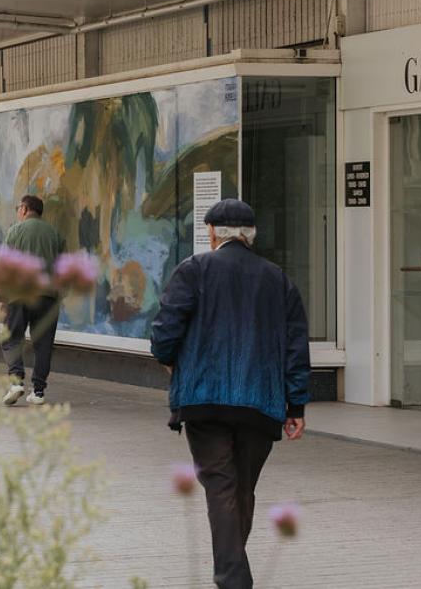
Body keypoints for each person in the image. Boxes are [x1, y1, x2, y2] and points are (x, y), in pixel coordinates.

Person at [149, 199, 310, 589]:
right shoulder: (279, 280)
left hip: (204, 401)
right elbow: (295, 348)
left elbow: (163, 334)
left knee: (221, 487)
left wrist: (171, 361)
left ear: (212, 233)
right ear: (250, 235)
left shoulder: (194, 270)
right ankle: (233, 573)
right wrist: (296, 405)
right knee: (241, 488)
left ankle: (233, 578)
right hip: (260, 403)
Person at [0, 195, 65, 407]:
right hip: (47, 296)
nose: (18, 211)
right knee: (44, 343)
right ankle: (38, 391)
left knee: (12, 337)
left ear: (26, 209)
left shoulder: (14, 232)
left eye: (19, 207)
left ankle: (16, 381)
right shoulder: (55, 234)